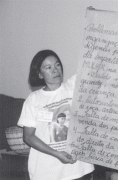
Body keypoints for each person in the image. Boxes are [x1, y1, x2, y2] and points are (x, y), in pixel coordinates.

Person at [17, 50, 94, 180]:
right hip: (48, 171)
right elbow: (28, 137)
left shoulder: (73, 87)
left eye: (57, 65)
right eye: (48, 67)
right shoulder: (34, 99)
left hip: (78, 168)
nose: (55, 70)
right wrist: (57, 154)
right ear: (40, 74)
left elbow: (93, 68)